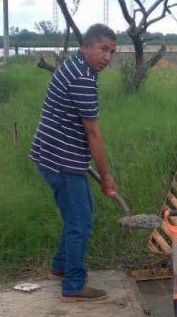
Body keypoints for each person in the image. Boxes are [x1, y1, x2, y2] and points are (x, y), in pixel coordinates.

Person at [30, 24, 118, 302]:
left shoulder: (78, 68)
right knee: (80, 221)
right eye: (103, 49)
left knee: (79, 214)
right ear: (86, 46)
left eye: (112, 51)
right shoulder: (81, 77)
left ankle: (59, 267)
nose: (108, 57)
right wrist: (106, 176)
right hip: (60, 159)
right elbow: (93, 133)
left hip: (54, 153)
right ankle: (73, 285)